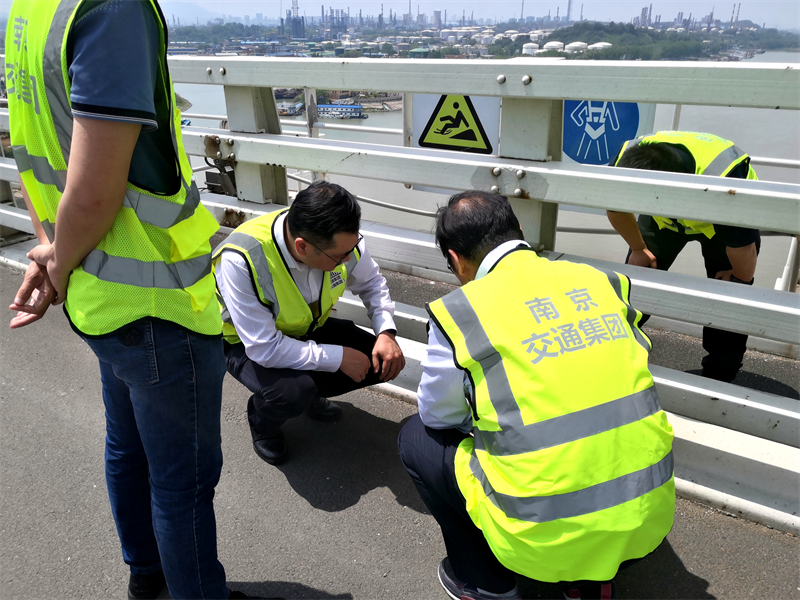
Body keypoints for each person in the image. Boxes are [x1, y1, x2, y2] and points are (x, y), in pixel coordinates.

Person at [5, 1, 280, 599]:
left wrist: (53, 252)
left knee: (127, 448)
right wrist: (57, 260)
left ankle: (148, 579)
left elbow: (29, 149)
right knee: (184, 484)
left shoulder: (31, 9)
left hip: (97, 294)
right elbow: (93, 194)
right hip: (157, 301)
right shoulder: (115, 9)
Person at [398, 191, 675, 600]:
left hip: (540, 546)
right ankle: (590, 582)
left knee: (416, 438)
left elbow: (438, 415)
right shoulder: (601, 281)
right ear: (520, 231)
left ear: (456, 259)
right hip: (648, 525)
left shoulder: (462, 311)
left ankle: (485, 583)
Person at [214, 180, 405, 466]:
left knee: (382, 362)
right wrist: (337, 357)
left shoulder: (340, 241)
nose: (347, 259)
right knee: (292, 393)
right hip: (244, 345)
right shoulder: (242, 259)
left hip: (306, 328)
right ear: (301, 247)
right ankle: (262, 421)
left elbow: (372, 284)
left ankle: (312, 392)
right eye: (339, 256)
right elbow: (264, 348)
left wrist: (386, 332)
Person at [608, 130, 760, 382]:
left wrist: (741, 278)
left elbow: (743, 246)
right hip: (662, 221)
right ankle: (613, 355)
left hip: (719, 223)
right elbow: (615, 208)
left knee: (730, 295)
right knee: (635, 282)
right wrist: (637, 248)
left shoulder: (726, 176)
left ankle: (719, 377)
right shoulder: (626, 161)